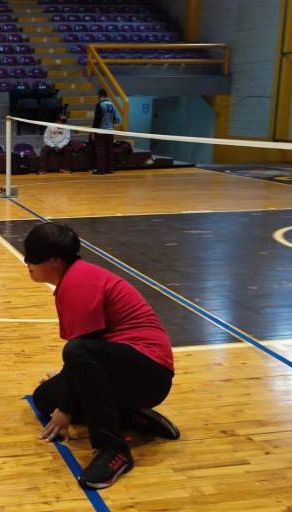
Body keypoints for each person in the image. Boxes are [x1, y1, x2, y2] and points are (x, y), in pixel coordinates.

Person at [24, 223, 179, 490]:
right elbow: (92, 354)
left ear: (55, 261)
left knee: (75, 354)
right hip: (127, 366)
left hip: (150, 372)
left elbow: (84, 350)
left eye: (33, 258)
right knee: (45, 397)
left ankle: (113, 450)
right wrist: (66, 384)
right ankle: (130, 416)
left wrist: (66, 409)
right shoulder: (74, 277)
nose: (27, 263)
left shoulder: (79, 283)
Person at [90, 89, 119, 174]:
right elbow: (114, 119)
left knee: (100, 151)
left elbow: (97, 120)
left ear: (99, 96)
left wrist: (93, 132)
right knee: (109, 150)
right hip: (110, 131)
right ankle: (110, 169)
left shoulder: (100, 105)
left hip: (101, 131)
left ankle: (101, 169)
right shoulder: (112, 105)